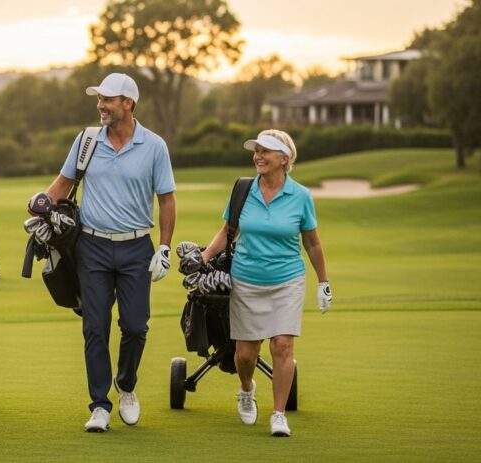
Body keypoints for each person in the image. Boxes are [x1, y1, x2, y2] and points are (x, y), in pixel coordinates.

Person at [41, 72, 176, 432]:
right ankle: (99, 405)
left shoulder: (154, 146)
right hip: (92, 247)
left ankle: (126, 385)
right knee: (95, 328)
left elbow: (166, 199)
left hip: (136, 248)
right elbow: (65, 181)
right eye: (99, 99)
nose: (100, 105)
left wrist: (164, 247)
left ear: (128, 103)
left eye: (108, 100)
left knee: (135, 326)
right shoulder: (86, 140)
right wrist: (40, 207)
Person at [198, 129, 330, 437]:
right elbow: (227, 231)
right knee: (246, 355)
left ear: (284, 159)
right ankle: (247, 389)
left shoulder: (300, 196)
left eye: (265, 151)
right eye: (256, 150)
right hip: (246, 280)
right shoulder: (243, 190)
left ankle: (278, 414)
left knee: (282, 345)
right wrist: (204, 257)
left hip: (287, 280)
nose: (258, 156)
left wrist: (323, 282)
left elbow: (312, 242)